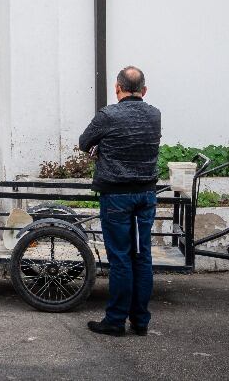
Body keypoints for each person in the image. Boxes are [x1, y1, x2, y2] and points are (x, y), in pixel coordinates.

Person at [78, 65, 162, 337]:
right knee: (142, 256)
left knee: (121, 259)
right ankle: (140, 321)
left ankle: (115, 321)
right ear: (144, 90)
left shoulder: (108, 115)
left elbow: (84, 142)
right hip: (146, 195)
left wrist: (101, 148)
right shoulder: (154, 115)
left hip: (117, 196)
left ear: (117, 88)